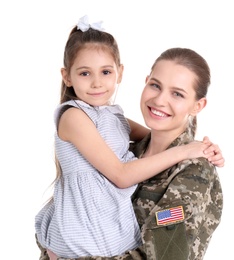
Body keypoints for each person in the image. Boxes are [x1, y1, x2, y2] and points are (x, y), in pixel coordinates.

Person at [35, 15, 224, 260]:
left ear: (197, 106)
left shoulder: (192, 172)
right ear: (145, 82)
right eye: (155, 86)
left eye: (177, 94)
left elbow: (163, 256)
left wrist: (193, 149)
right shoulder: (127, 147)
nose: (159, 100)